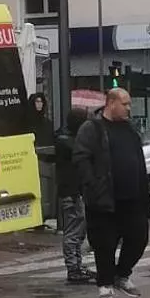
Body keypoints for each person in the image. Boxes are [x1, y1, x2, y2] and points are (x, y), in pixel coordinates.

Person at [74, 85, 150, 298]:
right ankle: (105, 283)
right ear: (111, 103)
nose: (129, 108)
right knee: (105, 242)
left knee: (139, 238)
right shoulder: (93, 128)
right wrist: (93, 185)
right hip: (105, 198)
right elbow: (81, 158)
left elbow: (139, 160)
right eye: (125, 104)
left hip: (132, 197)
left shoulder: (129, 130)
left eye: (129, 104)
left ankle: (122, 274)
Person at [53, 105, 93, 284]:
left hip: (75, 192)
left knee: (78, 231)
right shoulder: (66, 141)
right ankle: (73, 268)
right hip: (72, 193)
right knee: (73, 232)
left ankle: (77, 265)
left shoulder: (67, 139)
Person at [28, 91, 57, 226]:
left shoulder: (47, 123)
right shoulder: (27, 123)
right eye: (36, 102)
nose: (39, 105)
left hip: (46, 160)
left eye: (41, 102)